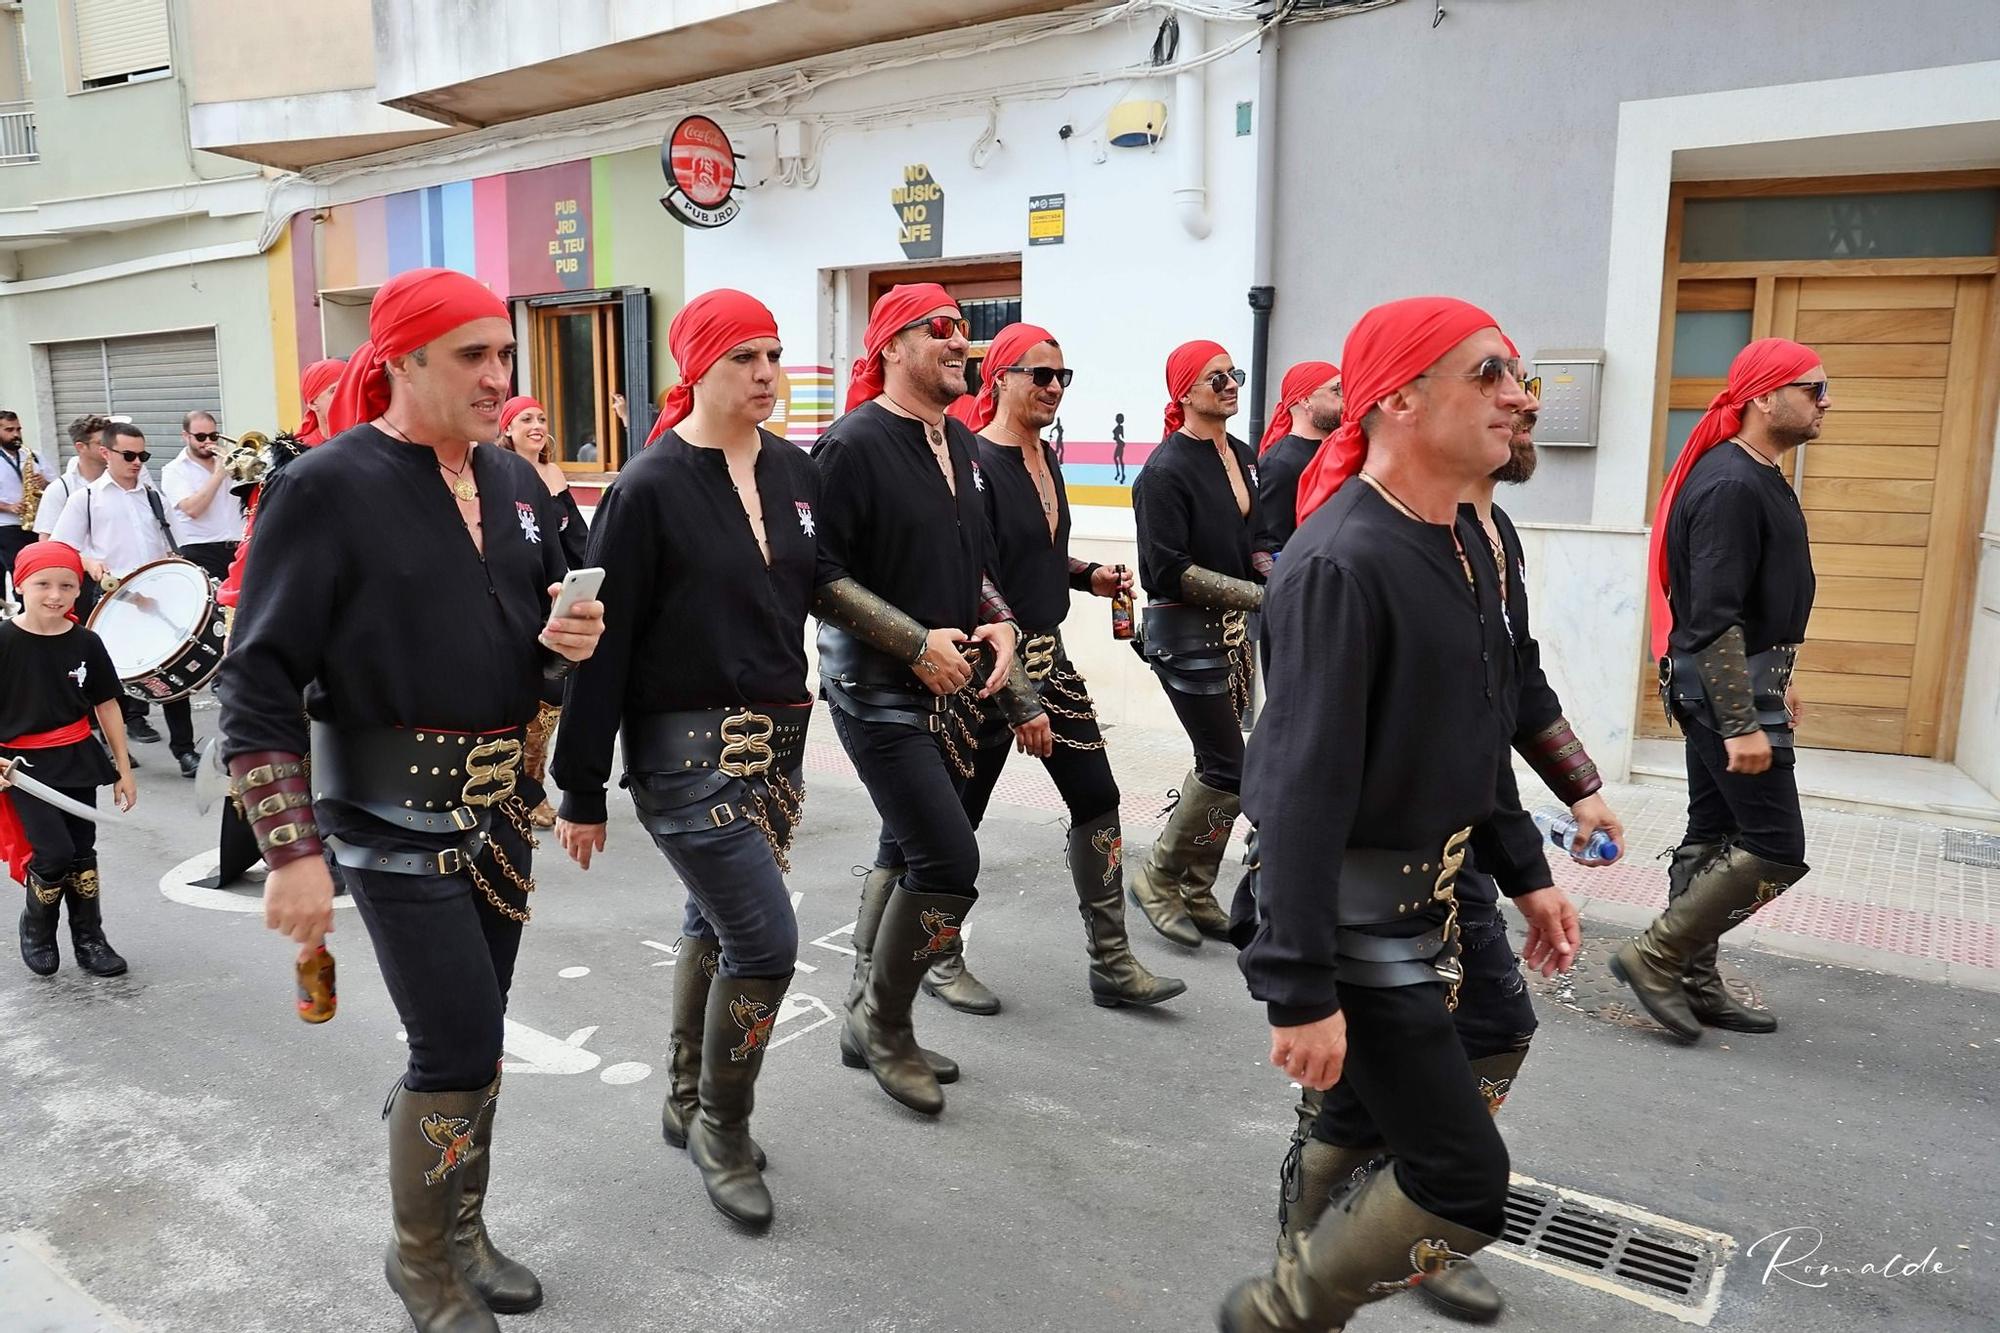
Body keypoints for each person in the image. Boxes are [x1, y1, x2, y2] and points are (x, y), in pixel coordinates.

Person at [216, 267, 603, 1333]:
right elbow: (253, 681)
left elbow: (529, 659)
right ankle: (421, 1258)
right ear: (402, 362)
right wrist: (290, 850)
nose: (497, 376)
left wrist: (562, 650)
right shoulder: (326, 487)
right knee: (456, 1045)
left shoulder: (520, 488)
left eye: (504, 355)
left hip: (498, 817)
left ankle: (464, 1228)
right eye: (472, 355)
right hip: (387, 822)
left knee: (474, 1043)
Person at [1218, 297, 1574, 1333]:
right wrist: (1296, 985)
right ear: (1402, 400)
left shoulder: (1467, 536)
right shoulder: (1341, 561)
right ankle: (1285, 1305)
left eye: (1516, 374)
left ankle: (1348, 1242)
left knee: (1416, 1078)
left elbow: (1480, 732)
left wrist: (1526, 873)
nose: (1519, 396)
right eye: (1489, 374)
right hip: (1352, 923)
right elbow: (1293, 787)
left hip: (1439, 899)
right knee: (1465, 1179)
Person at [554, 290, 811, 1228]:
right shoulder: (648, 486)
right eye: (744, 356)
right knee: (766, 942)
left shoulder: (793, 470)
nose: (765, 373)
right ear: (698, 366)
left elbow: (820, 585)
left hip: (776, 754)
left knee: (711, 921)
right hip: (681, 758)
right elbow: (600, 645)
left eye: (774, 354)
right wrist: (581, 784)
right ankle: (723, 1125)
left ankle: (683, 1095)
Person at [811, 282, 1034, 1115]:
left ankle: (860, 1020)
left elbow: (971, 562)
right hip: (874, 690)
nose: (960, 343)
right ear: (892, 347)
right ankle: (886, 1026)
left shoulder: (963, 446)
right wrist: (913, 642)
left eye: (964, 332)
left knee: (909, 851)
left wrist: (999, 622)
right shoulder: (851, 444)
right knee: (948, 858)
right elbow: (820, 577)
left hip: (955, 689)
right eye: (940, 329)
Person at [928, 322, 1185, 1013]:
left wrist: (1087, 575)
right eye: (1038, 374)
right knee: (953, 824)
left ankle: (1112, 962)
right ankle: (937, 954)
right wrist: (1018, 698)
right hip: (987, 671)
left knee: (1098, 799)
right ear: (999, 379)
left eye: (1061, 377)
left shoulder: (1047, 458)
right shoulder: (974, 463)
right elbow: (978, 575)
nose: (1052, 388)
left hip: (1053, 660)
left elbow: (1033, 557)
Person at [1611, 338, 1823, 1043]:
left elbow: (1758, 600)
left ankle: (1692, 981)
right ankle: (1657, 955)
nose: (1827, 402)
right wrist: (1741, 721)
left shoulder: (1758, 473)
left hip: (1742, 681)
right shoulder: (1731, 482)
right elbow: (1713, 615)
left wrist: (1781, 680)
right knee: (1775, 844)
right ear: (1765, 397)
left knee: (1715, 833)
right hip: (1724, 689)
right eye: (1813, 389)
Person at [1127, 340, 1264, 950]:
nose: (1231, 384)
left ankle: (1196, 885)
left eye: (1234, 374)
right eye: (1217, 378)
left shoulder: (1241, 453)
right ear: (1184, 392)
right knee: (1229, 765)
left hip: (1233, 636)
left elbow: (1253, 539)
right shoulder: (1164, 470)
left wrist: (1282, 573)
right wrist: (1261, 597)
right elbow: (1168, 571)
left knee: (1221, 762)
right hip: (1183, 634)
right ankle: (1158, 876)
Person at [201, 358, 346, 891]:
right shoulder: (288, 461)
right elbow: (267, 545)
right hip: (282, 595)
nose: (348, 393)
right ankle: (297, 836)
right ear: (313, 401)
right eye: (334, 388)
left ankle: (338, 829)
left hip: (341, 603)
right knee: (296, 724)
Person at [1, 542, 137, 977]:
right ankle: (36, 929)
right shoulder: (3, 640)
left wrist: (124, 770)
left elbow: (107, 705)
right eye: (43, 584)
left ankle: (90, 939)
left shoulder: (87, 642)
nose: (55, 595)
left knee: (82, 852)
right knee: (54, 851)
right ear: (21, 584)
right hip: (21, 769)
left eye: (67, 585)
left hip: (76, 757)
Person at [48, 422, 198, 774]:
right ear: (106, 453)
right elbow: (60, 546)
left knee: (173, 672)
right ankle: (112, 747)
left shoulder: (152, 496)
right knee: (109, 680)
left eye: (142, 456)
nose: (137, 462)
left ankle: (185, 750)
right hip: (112, 601)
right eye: (129, 455)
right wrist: (88, 561)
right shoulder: (85, 498)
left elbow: (171, 542)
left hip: (158, 598)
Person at [496, 395, 587, 829]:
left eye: (541, 418)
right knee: (523, 696)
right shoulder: (497, 475)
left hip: (551, 597)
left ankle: (529, 783)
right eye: (525, 419)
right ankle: (522, 791)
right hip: (516, 600)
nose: (536, 425)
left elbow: (575, 542)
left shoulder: (552, 473)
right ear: (507, 430)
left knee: (552, 695)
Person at [1254, 361, 1341, 557]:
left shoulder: (1338, 451)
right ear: (1305, 400)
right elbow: (1269, 546)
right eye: (1337, 390)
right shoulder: (1279, 465)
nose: (1346, 399)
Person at [161, 411, 244, 582]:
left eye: (213, 436)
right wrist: (218, 475)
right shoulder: (174, 470)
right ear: (186, 436)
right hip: (201, 549)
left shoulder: (230, 463)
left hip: (238, 546)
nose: (208, 442)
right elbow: (192, 509)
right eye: (200, 437)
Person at [1, 409, 57, 572]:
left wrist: (44, 482)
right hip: (7, 526)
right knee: (19, 570)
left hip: (35, 525)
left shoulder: (33, 456)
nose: (16, 434)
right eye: (9, 430)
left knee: (37, 570)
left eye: (18, 429)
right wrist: (9, 507)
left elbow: (57, 486)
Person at [1111, 412, 1128, 483]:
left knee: (1119, 459)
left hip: (1120, 444)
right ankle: (1120, 473)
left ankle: (1121, 474)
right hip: (1119, 444)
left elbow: (1122, 436)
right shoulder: (1119, 427)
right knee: (1117, 458)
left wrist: (1117, 439)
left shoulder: (1120, 427)